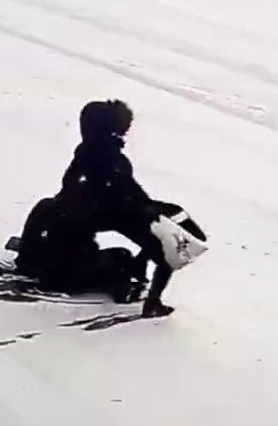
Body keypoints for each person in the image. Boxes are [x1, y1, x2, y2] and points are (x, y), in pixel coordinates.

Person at [55, 99, 206, 317]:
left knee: (165, 223)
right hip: (115, 210)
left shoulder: (86, 150)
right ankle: (152, 300)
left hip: (95, 209)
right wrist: (149, 209)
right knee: (167, 248)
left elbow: (74, 182)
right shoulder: (111, 157)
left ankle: (139, 266)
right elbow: (127, 190)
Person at [12, 196, 145, 303]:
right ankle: (123, 293)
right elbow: (84, 255)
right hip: (62, 279)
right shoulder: (80, 216)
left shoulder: (46, 205)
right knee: (122, 256)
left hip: (36, 266)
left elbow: (30, 240)